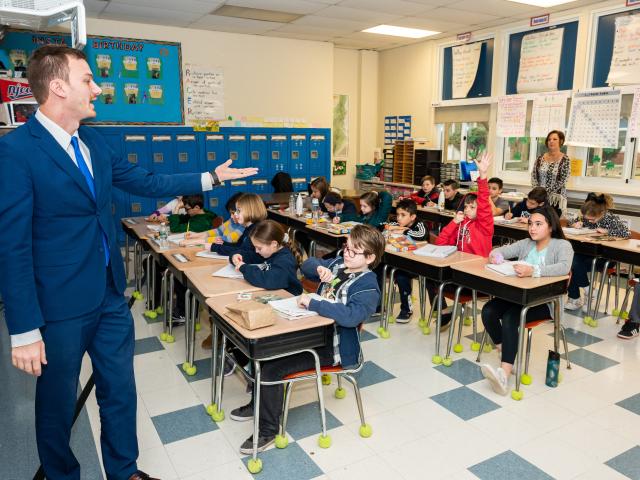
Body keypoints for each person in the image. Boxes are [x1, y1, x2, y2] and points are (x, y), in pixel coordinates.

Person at [0, 45, 257, 480]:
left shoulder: (93, 141)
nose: (97, 88)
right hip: (58, 303)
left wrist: (209, 177)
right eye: (88, 80)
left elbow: (147, 180)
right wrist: (24, 330)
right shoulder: (17, 151)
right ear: (58, 86)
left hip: (109, 293)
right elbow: (12, 245)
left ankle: (124, 471)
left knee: (120, 390)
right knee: (57, 402)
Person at [228, 225, 385, 454]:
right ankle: (259, 404)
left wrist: (315, 303)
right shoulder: (340, 265)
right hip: (311, 334)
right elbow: (306, 265)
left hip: (333, 349)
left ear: (370, 257)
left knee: (271, 369)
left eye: (354, 251)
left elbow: (351, 317)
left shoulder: (368, 286)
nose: (346, 254)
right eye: (346, 247)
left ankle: (268, 430)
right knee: (263, 350)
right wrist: (321, 268)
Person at [481, 206, 573, 395]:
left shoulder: (562, 246)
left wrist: (534, 271)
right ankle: (505, 350)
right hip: (519, 296)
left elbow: (564, 268)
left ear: (550, 226)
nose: (532, 228)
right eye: (531, 223)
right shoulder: (526, 243)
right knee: (488, 311)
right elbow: (501, 251)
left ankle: (504, 374)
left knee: (509, 318)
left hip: (544, 302)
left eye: (538, 224)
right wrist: (496, 256)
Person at [426, 153, 493, 328]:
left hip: (475, 275)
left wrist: (483, 177)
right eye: (466, 207)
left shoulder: (484, 225)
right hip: (459, 269)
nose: (468, 210)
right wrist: (454, 222)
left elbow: (484, 203)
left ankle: (451, 311)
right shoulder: (462, 222)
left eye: (473, 207)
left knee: (442, 282)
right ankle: (445, 311)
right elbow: (441, 243)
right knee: (430, 277)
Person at [565, 193, 630, 311]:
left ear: (601, 213)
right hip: (588, 253)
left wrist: (607, 231)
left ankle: (579, 297)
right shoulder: (587, 216)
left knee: (574, 265)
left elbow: (626, 233)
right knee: (569, 261)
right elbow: (570, 221)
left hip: (605, 257)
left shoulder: (610, 218)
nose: (589, 221)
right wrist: (575, 224)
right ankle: (587, 292)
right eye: (587, 218)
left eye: (592, 219)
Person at [231, 220, 303, 295]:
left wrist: (244, 268)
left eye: (259, 248)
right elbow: (250, 256)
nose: (256, 251)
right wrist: (235, 256)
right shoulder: (269, 252)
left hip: (287, 299)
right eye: (255, 247)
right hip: (273, 295)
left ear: (274, 244)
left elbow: (268, 280)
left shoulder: (286, 260)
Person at [385, 199, 428, 322]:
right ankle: (379, 306)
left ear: (413, 216)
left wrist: (405, 231)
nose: (398, 218)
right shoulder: (396, 222)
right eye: (397, 214)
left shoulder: (420, 224)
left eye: (403, 215)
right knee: (377, 267)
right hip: (398, 259)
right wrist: (389, 228)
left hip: (417, 264)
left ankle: (406, 309)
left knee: (401, 276)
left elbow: (422, 235)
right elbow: (384, 226)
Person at [211, 193, 267, 257]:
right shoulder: (248, 228)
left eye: (238, 211)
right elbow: (239, 245)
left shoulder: (256, 230)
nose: (235, 214)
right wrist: (223, 243)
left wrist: (215, 248)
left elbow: (243, 251)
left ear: (250, 211)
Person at [180, 192, 245, 247]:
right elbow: (218, 231)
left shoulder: (244, 227)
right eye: (231, 213)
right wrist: (197, 235)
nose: (231, 216)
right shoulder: (232, 220)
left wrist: (196, 241)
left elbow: (228, 239)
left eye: (233, 213)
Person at [531, 130, 570, 216]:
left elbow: (563, 180)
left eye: (555, 139)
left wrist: (546, 193)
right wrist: (538, 193)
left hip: (555, 200)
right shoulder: (540, 158)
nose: (551, 141)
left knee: (551, 225)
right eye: (549, 139)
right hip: (539, 199)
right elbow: (534, 176)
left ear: (561, 141)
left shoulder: (565, 159)